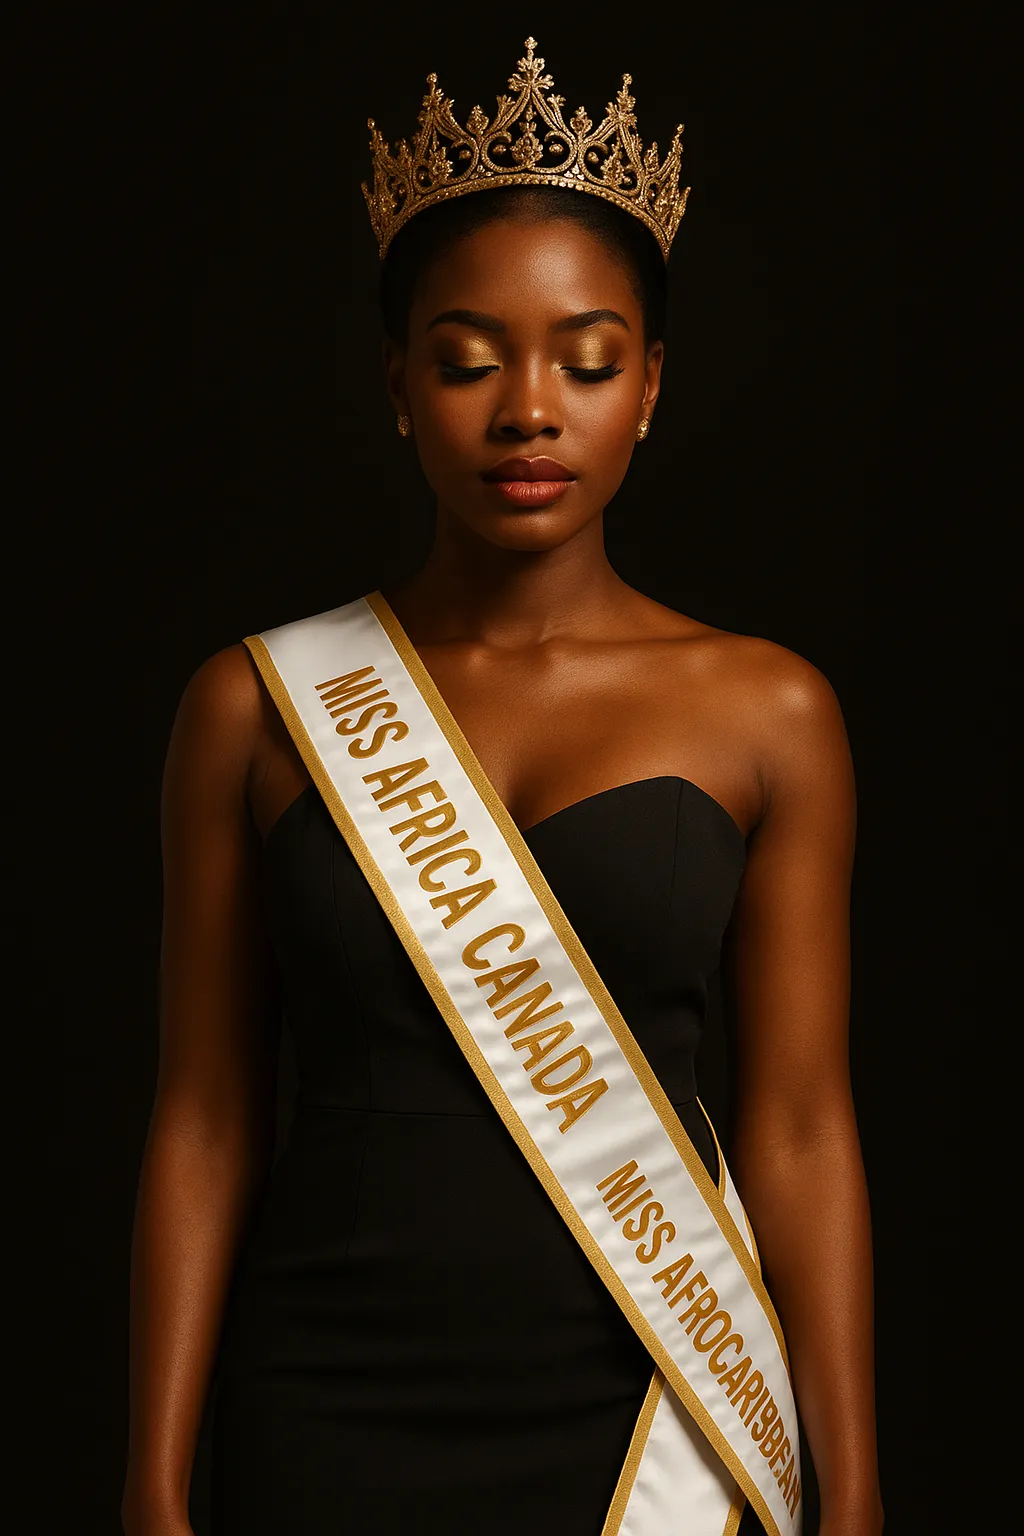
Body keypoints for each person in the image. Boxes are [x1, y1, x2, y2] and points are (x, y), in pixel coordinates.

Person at [122, 38, 882, 1536]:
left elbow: (800, 1127)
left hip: (648, 1399)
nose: (529, 409)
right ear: (400, 387)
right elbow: (205, 1116)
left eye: (587, 361)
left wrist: (851, 1495)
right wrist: (151, 1479)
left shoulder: (769, 710)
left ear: (649, 386)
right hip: (325, 1401)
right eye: (469, 360)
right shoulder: (254, 707)